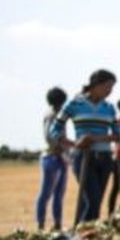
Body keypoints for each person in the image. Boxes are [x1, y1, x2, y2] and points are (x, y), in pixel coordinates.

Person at [49, 69, 120, 226]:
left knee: (94, 201)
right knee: (92, 199)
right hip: (83, 158)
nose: (110, 91)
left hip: (105, 158)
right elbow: (54, 130)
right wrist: (74, 143)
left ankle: (84, 234)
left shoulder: (109, 108)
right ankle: (85, 234)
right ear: (96, 85)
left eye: (112, 88)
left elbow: (118, 134)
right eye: (108, 87)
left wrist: (94, 138)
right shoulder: (74, 104)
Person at [37, 87, 69, 231]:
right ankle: (41, 224)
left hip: (60, 158)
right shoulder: (51, 115)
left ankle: (57, 224)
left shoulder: (59, 115)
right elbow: (49, 137)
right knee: (46, 193)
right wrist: (61, 148)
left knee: (59, 194)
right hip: (51, 157)